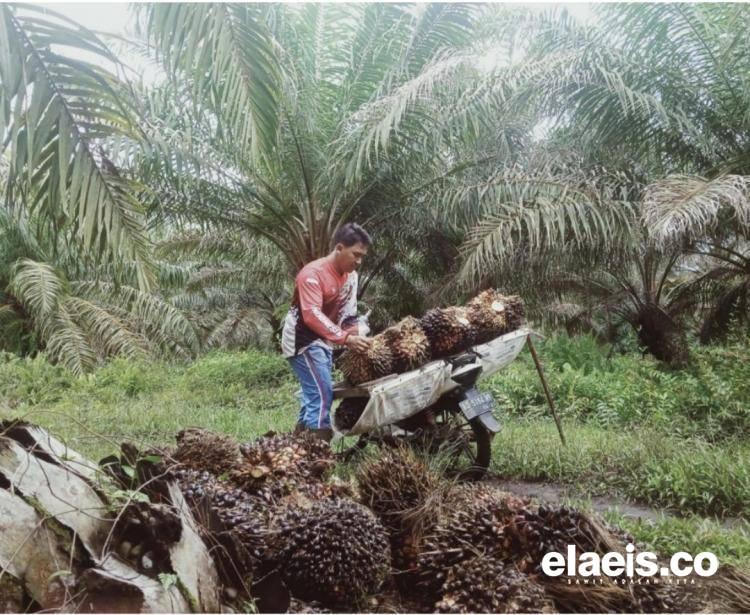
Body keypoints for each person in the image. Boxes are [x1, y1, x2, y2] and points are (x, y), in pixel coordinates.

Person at [281, 223, 372, 440]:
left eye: (362, 257)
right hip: (302, 339)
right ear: (339, 248)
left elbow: (349, 314)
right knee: (322, 395)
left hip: (325, 339)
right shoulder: (312, 274)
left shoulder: (351, 276)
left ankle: (297, 448)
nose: (358, 261)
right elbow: (311, 314)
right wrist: (345, 338)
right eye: (355, 254)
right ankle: (317, 457)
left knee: (314, 393)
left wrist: (359, 338)